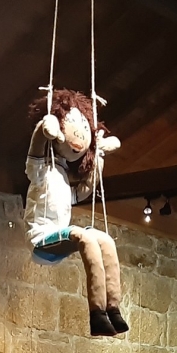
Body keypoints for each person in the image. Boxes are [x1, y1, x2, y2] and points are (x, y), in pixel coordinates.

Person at [24, 88, 127, 337]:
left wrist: (98, 158)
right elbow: (36, 150)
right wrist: (43, 128)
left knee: (106, 240)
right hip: (41, 240)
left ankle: (113, 308)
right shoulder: (41, 171)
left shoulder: (61, 177)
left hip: (58, 239)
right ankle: (96, 314)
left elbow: (80, 193)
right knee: (84, 236)